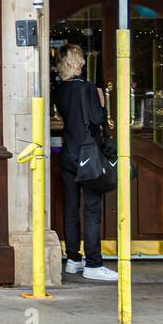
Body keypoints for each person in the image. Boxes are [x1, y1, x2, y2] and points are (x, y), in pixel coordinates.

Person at [52, 44, 118, 282]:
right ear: (77, 62)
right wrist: (101, 101)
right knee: (91, 210)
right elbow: (97, 119)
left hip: (68, 152)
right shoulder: (88, 88)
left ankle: (73, 259)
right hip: (88, 154)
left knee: (71, 208)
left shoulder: (59, 90)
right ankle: (93, 262)